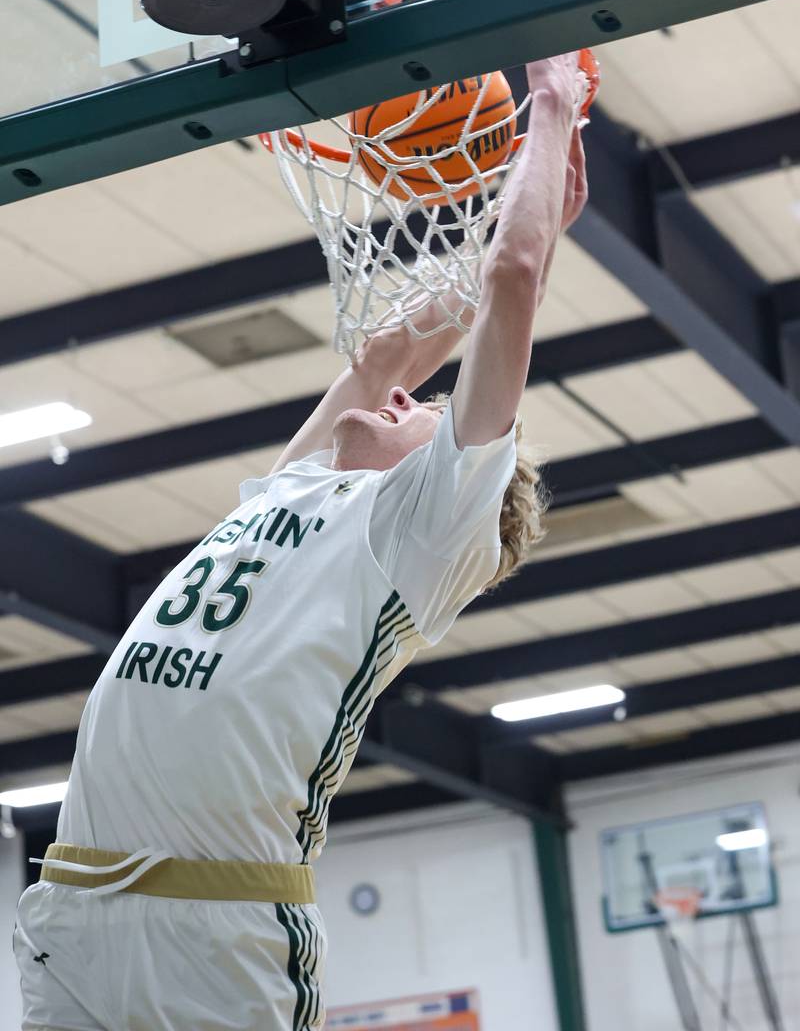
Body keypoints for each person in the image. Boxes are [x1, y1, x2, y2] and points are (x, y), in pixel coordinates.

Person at [14, 53, 589, 1031]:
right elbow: (386, 353)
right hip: (73, 904)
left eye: (433, 419)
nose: (410, 398)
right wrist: (526, 201)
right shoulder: (296, 484)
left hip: (216, 930)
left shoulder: (414, 541)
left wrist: (548, 108)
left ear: (443, 483)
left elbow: (512, 278)